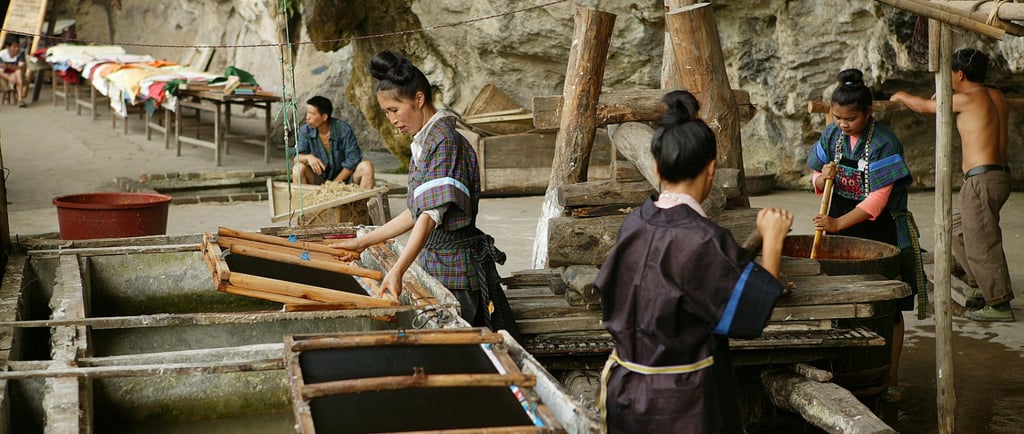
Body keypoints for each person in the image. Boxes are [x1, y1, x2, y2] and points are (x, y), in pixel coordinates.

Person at [595, 90, 792, 433]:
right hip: (682, 405)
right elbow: (747, 318)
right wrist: (772, 242)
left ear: (657, 168)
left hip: (625, 391)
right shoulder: (702, 239)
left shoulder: (635, 223)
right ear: (711, 169)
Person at [330, 50, 519, 338]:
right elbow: (416, 211)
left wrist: (397, 271)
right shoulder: (426, 141)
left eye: (394, 110)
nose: (392, 119)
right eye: (386, 113)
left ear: (419, 99)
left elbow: (428, 218)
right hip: (438, 265)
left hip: (456, 271)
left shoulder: (444, 142)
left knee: (460, 347)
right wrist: (362, 242)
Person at [809, 69, 926, 401]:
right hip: (837, 228)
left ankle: (889, 378)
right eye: (837, 117)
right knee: (839, 301)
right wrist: (821, 178)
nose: (843, 123)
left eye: (851, 118)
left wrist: (836, 225)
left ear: (868, 112)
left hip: (880, 231)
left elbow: (876, 202)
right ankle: (843, 370)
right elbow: (814, 175)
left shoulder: (886, 142)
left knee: (888, 309)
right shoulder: (831, 136)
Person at [890, 49, 1013, 322]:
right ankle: (982, 285)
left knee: (982, 241)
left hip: (981, 179)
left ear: (959, 74)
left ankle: (999, 303)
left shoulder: (966, 99)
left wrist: (899, 96)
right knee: (959, 229)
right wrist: (947, 97)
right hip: (999, 176)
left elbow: (923, 107)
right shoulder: (996, 96)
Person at [291, 95, 375, 189]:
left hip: (344, 180)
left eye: (312, 114)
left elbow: (352, 160)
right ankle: (305, 203)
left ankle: (361, 203)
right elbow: (296, 158)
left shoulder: (343, 129)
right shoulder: (305, 130)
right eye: (307, 113)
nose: (307, 117)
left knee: (367, 167)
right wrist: (308, 157)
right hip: (317, 180)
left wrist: (333, 185)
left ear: (324, 117)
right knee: (298, 168)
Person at [0, 38, 29, 107]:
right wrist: (9, 77)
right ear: (8, 47)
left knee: (18, 72)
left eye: (18, 46)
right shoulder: (2, 55)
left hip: (18, 76)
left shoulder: (21, 53)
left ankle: (20, 99)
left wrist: (7, 66)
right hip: (4, 77)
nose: (17, 48)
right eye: (14, 46)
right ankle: (20, 98)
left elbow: (20, 67)